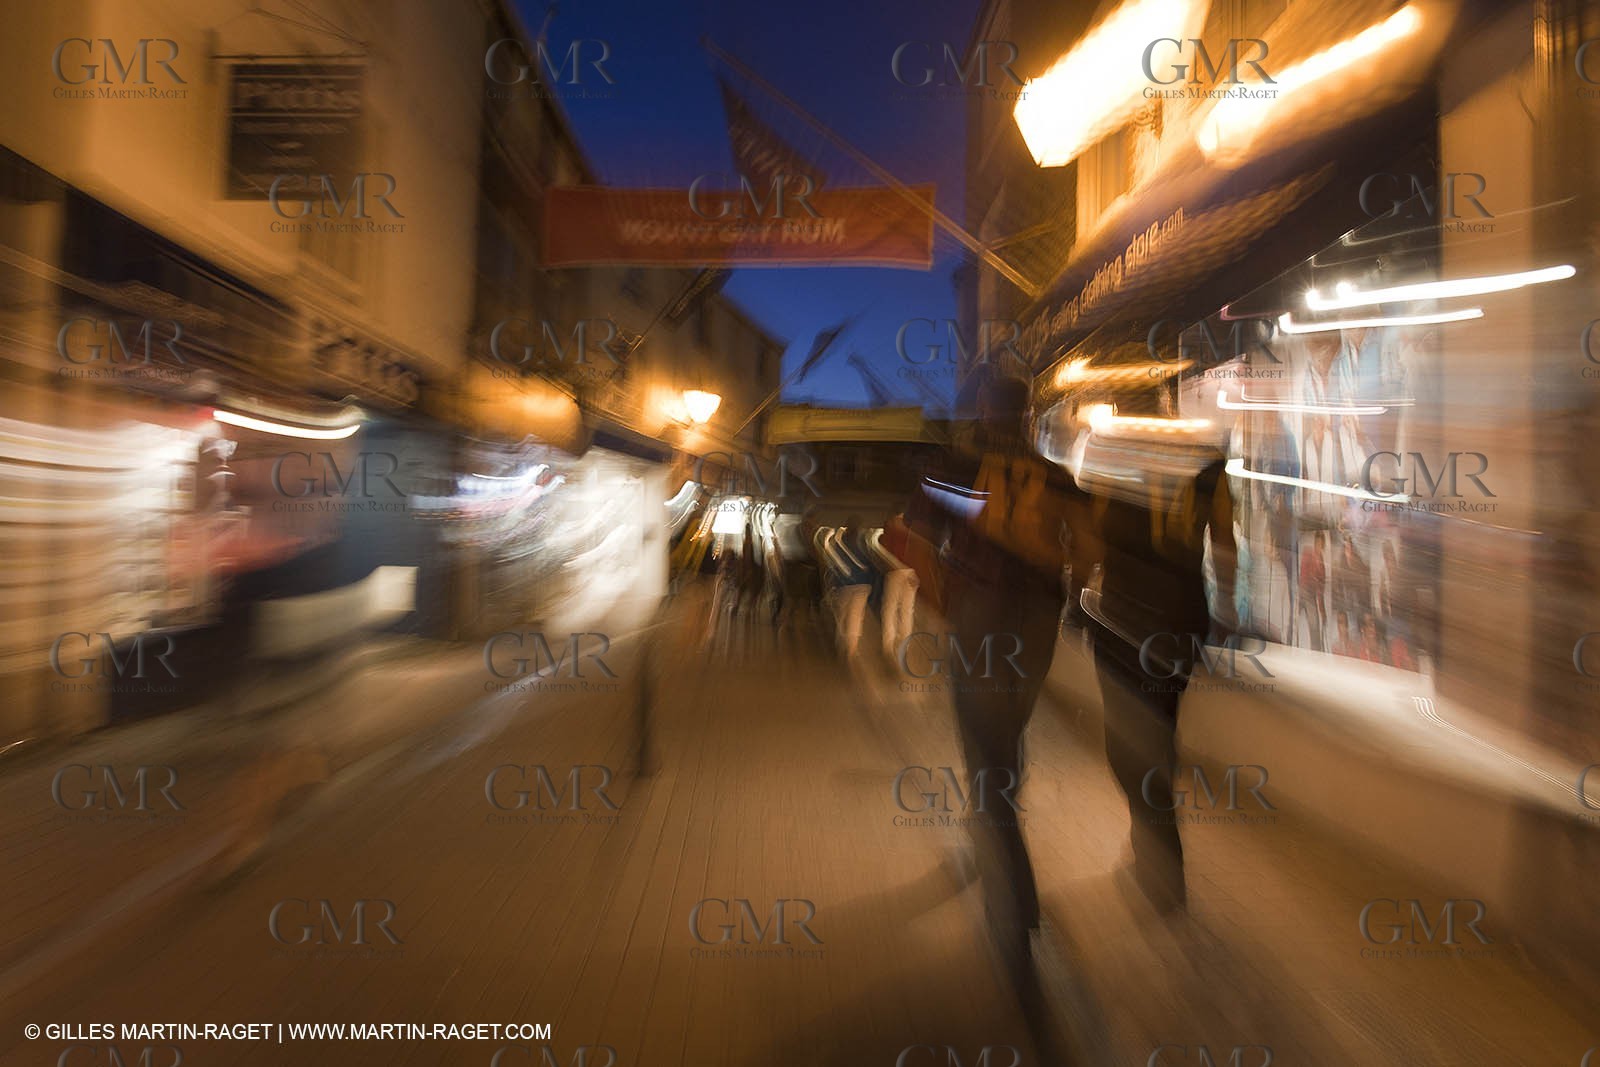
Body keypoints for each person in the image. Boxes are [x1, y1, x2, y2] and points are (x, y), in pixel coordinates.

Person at [930, 370, 1086, 995]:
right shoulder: (1057, 476)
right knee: (1007, 735)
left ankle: (1014, 901)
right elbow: (1089, 551)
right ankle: (999, 850)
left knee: (984, 757)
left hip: (980, 618)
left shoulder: (955, 468)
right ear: (1026, 415)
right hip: (1037, 624)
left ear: (984, 409)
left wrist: (951, 595)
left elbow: (918, 539)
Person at [1080, 420, 1239, 918]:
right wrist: (1226, 610)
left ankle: (1159, 865)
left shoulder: (1110, 458)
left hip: (1123, 622)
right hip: (1180, 624)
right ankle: (1153, 853)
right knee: (1157, 734)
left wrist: (1073, 598)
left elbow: (1092, 540)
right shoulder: (1209, 467)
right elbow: (1225, 543)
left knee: (1126, 746)